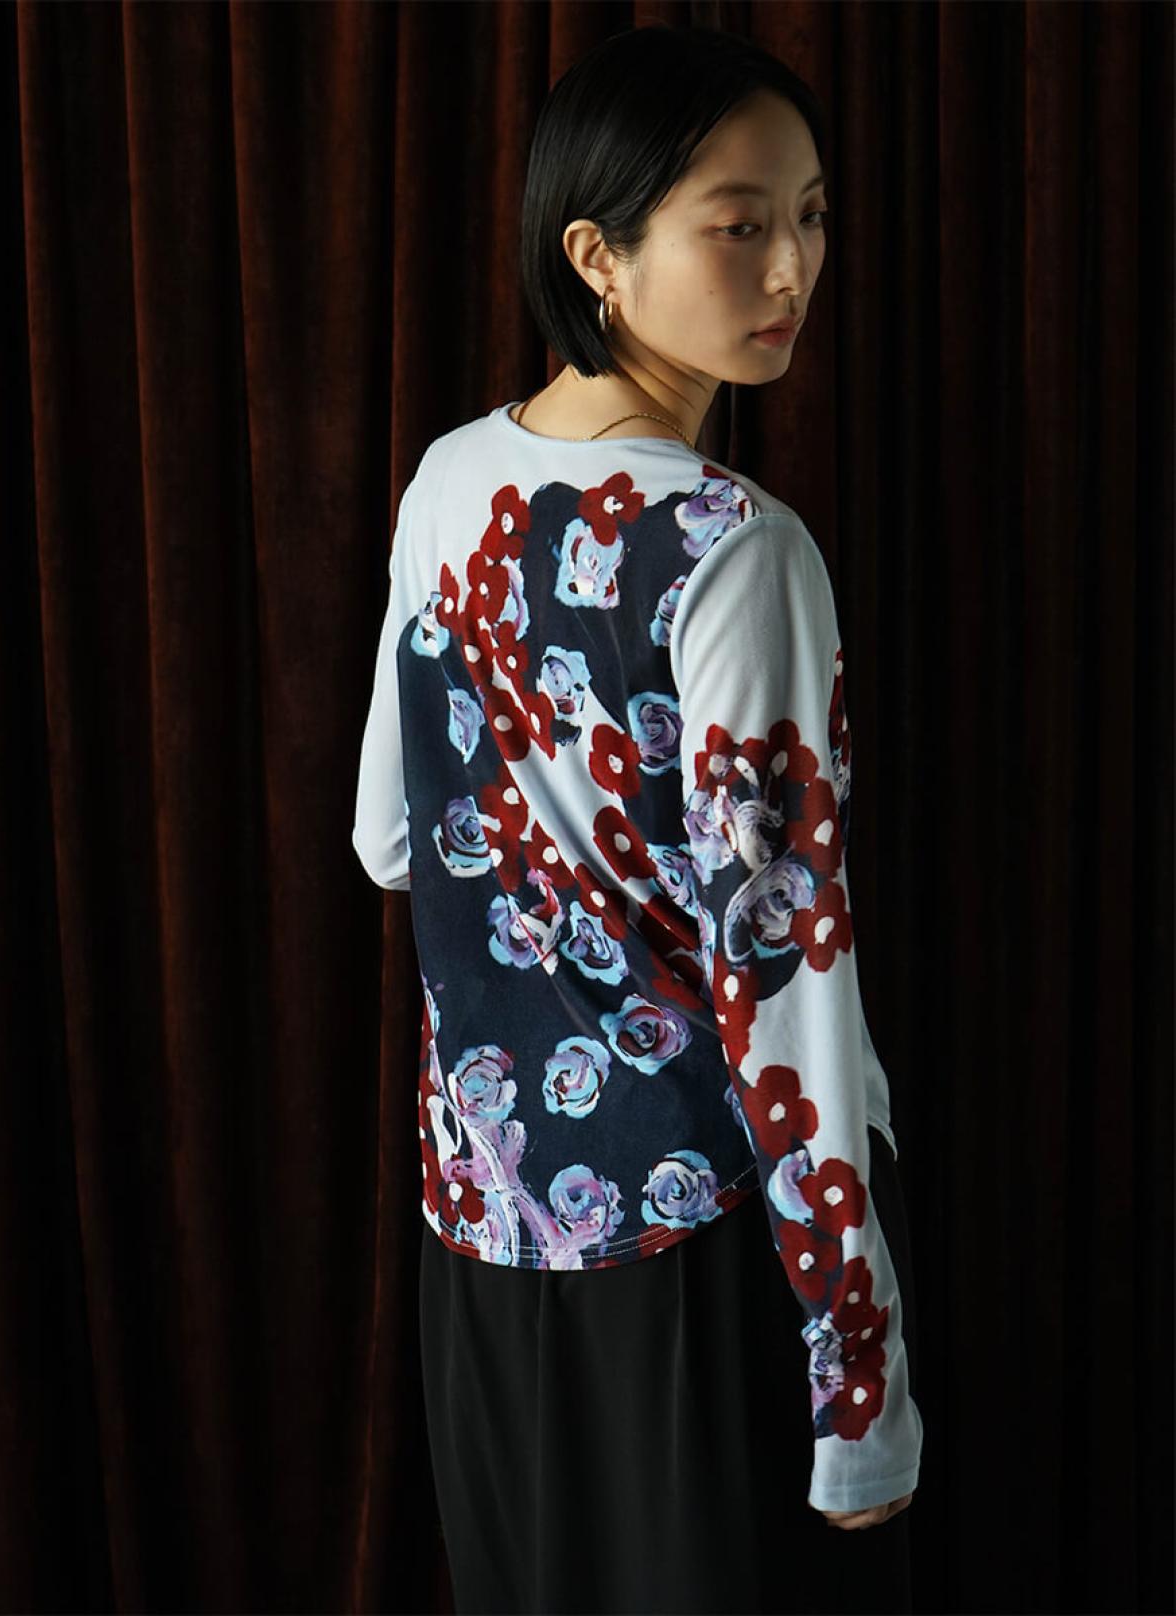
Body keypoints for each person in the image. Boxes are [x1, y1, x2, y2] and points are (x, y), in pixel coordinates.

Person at [353, 22, 923, 1615]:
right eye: (737, 224)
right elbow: (787, 986)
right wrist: (859, 1383)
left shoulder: (446, 482)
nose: (791, 266)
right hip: (709, 1245)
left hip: (484, 1228)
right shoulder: (739, 551)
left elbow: (392, 841)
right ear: (595, 254)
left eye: (811, 214)